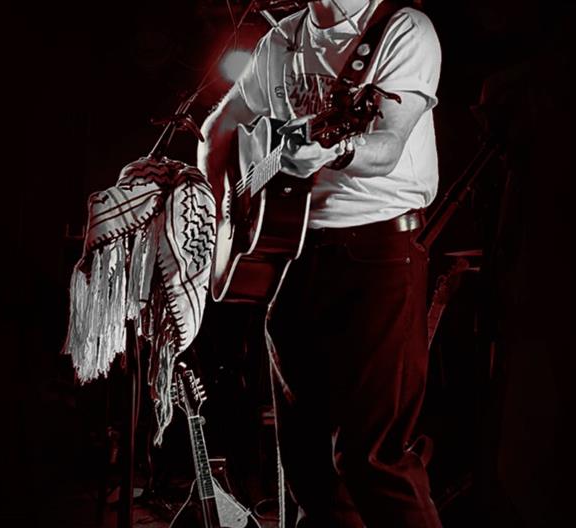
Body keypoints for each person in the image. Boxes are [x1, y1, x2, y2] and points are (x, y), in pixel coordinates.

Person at [197, 0, 442, 526]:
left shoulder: (401, 29)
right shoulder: (283, 39)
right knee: (307, 466)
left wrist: (334, 151)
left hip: (380, 255)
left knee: (374, 458)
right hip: (301, 254)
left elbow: (387, 144)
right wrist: (223, 212)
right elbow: (217, 128)